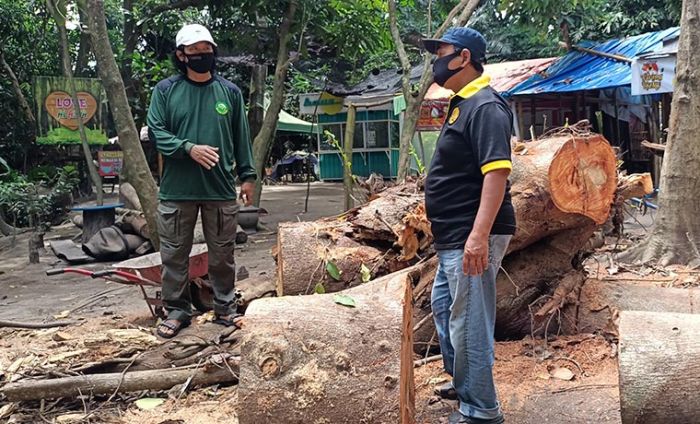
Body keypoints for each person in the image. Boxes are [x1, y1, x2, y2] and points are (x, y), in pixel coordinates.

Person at [421, 27, 516, 424]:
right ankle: (464, 383)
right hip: (454, 234)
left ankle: (481, 410)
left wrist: (477, 237)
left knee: (469, 320)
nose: (434, 60)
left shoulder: (486, 106)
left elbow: (496, 174)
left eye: (440, 51)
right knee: (444, 309)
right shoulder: (462, 103)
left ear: (463, 57)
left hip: (471, 234)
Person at [147, 24, 257, 338]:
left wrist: (248, 176)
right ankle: (177, 310)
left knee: (222, 255)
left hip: (220, 189)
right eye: (193, 52)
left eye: (206, 50)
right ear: (181, 55)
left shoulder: (230, 93)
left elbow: (241, 138)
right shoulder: (166, 91)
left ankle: (225, 309)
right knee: (174, 256)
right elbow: (157, 133)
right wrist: (188, 149)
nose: (201, 56)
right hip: (177, 190)